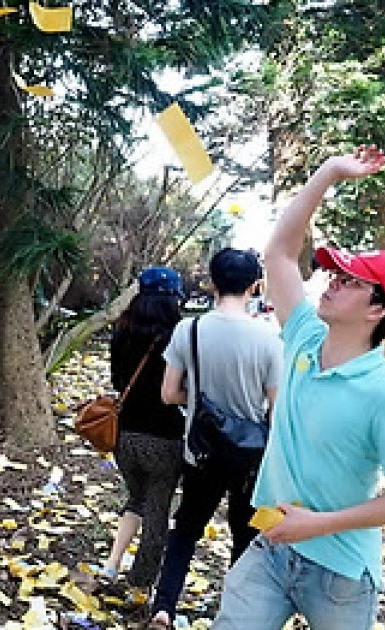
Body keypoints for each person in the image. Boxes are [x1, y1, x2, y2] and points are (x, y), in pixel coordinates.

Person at [214, 145, 385, 630]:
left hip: (340, 572)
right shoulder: (305, 338)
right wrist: (330, 172)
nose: (332, 282)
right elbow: (278, 254)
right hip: (271, 548)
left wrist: (316, 524)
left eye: (350, 281)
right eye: (335, 273)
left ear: (378, 310)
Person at [146, 248, 283, 629]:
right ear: (255, 285)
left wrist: (206, 402)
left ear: (211, 282)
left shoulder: (188, 330)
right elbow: (277, 407)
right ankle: (234, 615)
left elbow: (169, 394)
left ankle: (164, 608)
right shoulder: (270, 337)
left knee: (186, 530)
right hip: (250, 457)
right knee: (244, 536)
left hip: (201, 451)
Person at [102, 266, 188, 593]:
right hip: (165, 438)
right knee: (157, 511)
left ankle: (111, 564)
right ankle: (140, 583)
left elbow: (116, 381)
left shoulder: (121, 330)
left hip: (124, 436)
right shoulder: (178, 335)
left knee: (136, 497)